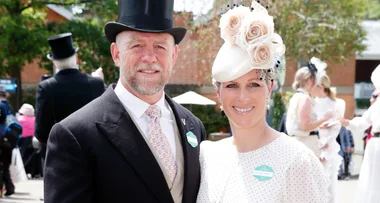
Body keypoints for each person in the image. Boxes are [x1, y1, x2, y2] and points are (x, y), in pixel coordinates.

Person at [44, 0, 206, 202]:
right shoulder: (75, 135)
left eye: (160, 46)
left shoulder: (194, 126)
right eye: (137, 45)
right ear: (116, 53)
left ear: (174, 55)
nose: (149, 57)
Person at [196, 2, 327, 202]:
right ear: (218, 93)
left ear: (270, 88)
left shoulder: (296, 160)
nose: (243, 97)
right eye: (232, 86)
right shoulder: (206, 155)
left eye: (254, 85)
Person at [34, 32, 105, 167]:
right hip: (93, 154)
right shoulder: (96, 83)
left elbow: (41, 132)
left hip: (60, 158)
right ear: (76, 59)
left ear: (54, 64)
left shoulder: (46, 87)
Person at [340, 64, 380, 203]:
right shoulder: (376, 104)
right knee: (371, 179)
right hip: (374, 144)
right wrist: (347, 122)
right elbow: (364, 121)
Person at [286, 57, 334, 157]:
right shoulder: (305, 98)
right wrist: (324, 119)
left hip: (302, 143)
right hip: (306, 145)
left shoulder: (297, 97)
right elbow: (304, 126)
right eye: (316, 81)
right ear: (309, 82)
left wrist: (319, 125)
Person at [313, 74, 345, 203]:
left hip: (329, 147)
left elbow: (336, 127)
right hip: (313, 144)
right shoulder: (312, 102)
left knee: (329, 183)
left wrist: (324, 145)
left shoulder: (338, 103)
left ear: (320, 87)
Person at [0, 85, 15, 196]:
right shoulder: (8, 105)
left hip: (2, 137)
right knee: (5, 164)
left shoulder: (2, 105)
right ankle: (8, 187)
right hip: (7, 138)